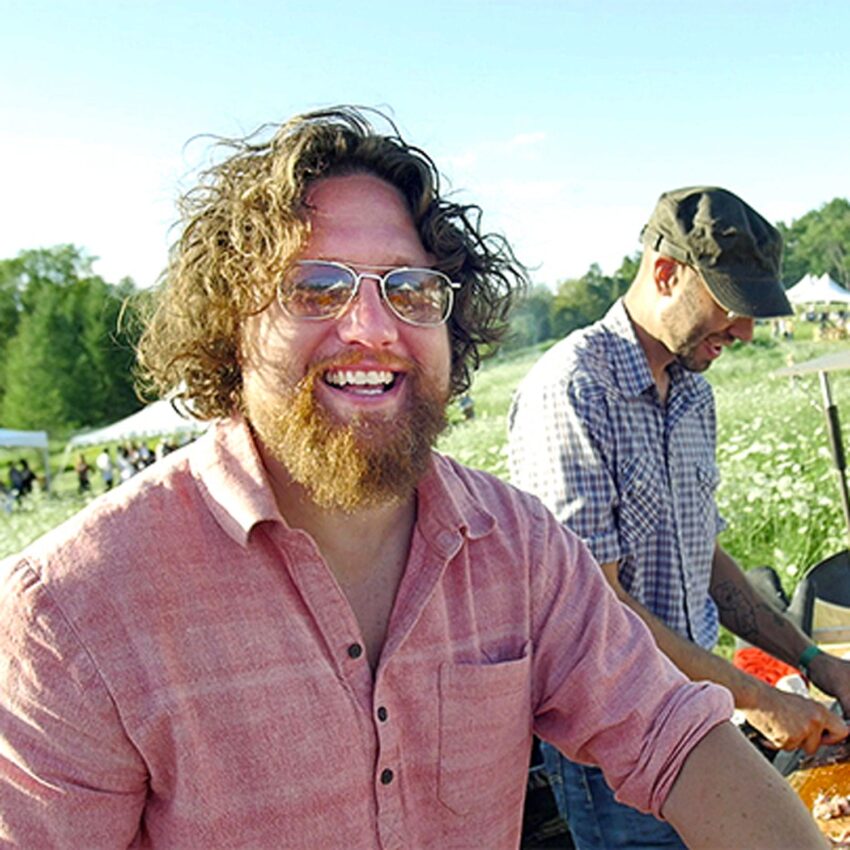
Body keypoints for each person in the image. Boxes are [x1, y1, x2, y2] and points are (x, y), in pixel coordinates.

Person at [0, 115, 829, 850]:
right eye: (313, 287)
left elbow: (673, 736)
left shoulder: (522, 550)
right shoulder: (72, 612)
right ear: (229, 328)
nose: (370, 326)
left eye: (411, 288)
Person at [508, 185, 850, 849]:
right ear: (666, 273)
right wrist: (759, 698)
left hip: (696, 715)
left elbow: (706, 559)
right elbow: (595, 607)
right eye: (732, 308)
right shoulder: (572, 391)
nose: (746, 332)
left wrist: (813, 661)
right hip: (615, 739)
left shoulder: (694, 393)